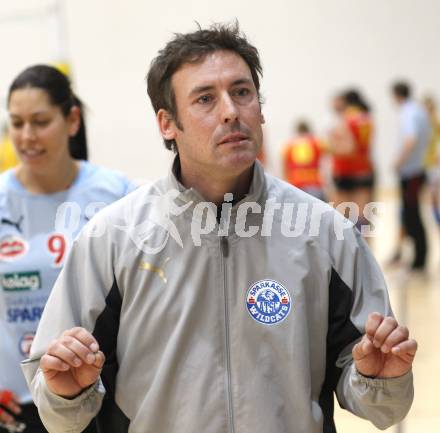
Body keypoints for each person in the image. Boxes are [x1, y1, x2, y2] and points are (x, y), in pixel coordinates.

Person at [22, 24, 416, 433]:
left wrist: (381, 380)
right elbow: (56, 408)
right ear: (167, 124)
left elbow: (383, 406)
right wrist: (66, 394)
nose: (231, 111)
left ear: (260, 108)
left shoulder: (326, 233)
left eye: (242, 92)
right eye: (205, 99)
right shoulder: (112, 239)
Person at [0, 65, 134, 432]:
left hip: (93, 393)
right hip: (14, 404)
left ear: (71, 120)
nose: (26, 136)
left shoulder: (118, 194)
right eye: (17, 122)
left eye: (40, 121)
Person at [391, 81, 430, 270]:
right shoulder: (419, 110)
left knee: (411, 214)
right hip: (418, 169)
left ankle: (419, 259)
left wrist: (399, 161)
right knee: (411, 213)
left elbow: (411, 139)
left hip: (411, 171)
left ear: (397, 95)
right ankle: (418, 256)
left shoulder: (408, 112)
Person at [328, 89, 375, 231]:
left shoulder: (347, 119)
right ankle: (366, 250)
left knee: (341, 216)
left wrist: (328, 147)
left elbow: (349, 148)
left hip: (345, 171)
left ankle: (345, 251)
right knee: (362, 216)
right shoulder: (367, 119)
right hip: (365, 169)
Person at [282, 120, 327, 200]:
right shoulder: (317, 142)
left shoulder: (289, 145)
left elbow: (285, 168)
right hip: (313, 182)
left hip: (295, 183)